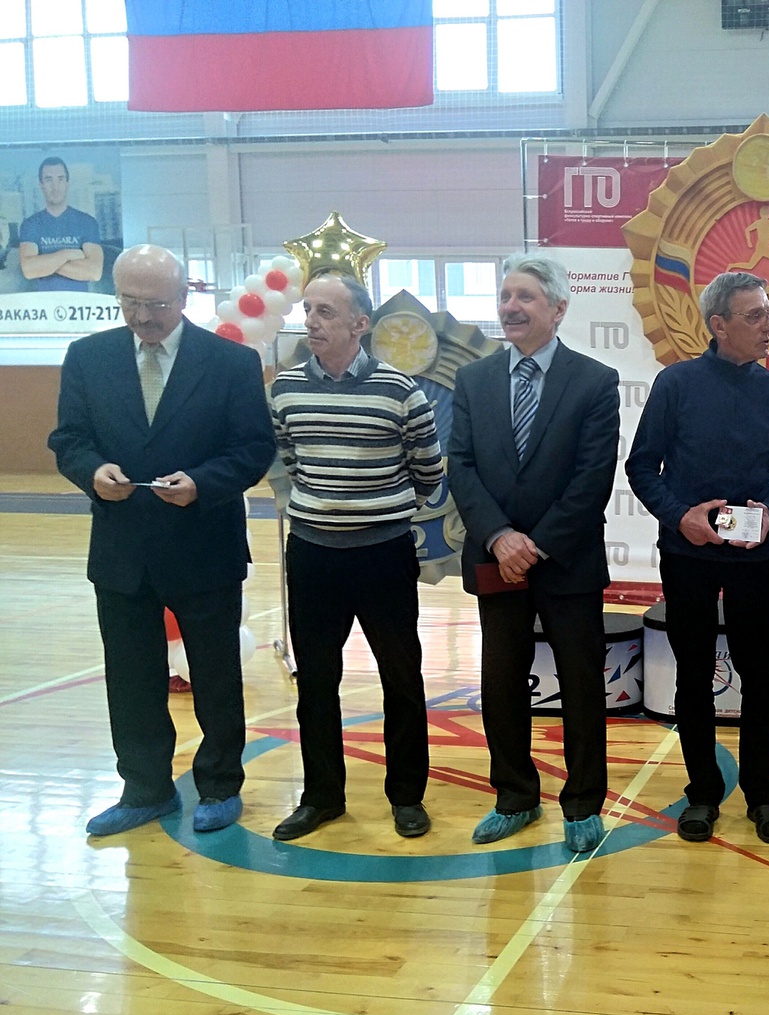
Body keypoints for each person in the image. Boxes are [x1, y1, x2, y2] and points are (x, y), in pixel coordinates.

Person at [48, 245, 276, 836]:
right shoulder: (88, 357)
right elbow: (68, 440)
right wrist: (92, 472)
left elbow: (254, 448)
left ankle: (220, 785)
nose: (143, 316)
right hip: (122, 550)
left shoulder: (230, 362)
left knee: (216, 677)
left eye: (156, 304)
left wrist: (202, 483)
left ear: (183, 297)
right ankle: (144, 788)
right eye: (130, 302)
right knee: (130, 679)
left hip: (204, 546)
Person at [625, 271, 769, 845]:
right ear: (719, 325)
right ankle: (702, 793)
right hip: (688, 556)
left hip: (757, 560)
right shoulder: (675, 384)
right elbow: (641, 467)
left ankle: (763, 795)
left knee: (765, 678)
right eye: (755, 316)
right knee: (693, 676)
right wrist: (680, 516)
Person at [447, 255, 621, 854]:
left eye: (525, 297)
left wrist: (536, 544)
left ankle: (583, 803)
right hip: (496, 559)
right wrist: (500, 537)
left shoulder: (595, 381)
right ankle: (515, 797)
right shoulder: (473, 380)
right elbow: (461, 466)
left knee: (581, 685)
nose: (510, 307)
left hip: (567, 561)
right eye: (505, 296)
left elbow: (592, 478)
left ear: (558, 308)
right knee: (500, 683)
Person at [268, 273, 443, 841]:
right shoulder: (285, 389)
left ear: (359, 324)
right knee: (316, 682)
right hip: (312, 555)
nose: (311, 321)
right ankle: (322, 797)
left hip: (383, 555)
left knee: (402, 678)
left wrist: (374, 509)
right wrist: (327, 504)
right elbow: (289, 460)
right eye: (307, 309)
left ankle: (407, 797)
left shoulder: (400, 390)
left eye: (326, 311)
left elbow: (428, 472)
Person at [19, 157, 104, 292]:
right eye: (49, 180)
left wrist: (44, 264)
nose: (55, 187)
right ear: (41, 185)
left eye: (60, 179)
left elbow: (94, 272)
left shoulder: (87, 222)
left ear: (67, 183)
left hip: (80, 303)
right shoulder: (31, 225)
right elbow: (29, 270)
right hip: (43, 303)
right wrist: (67, 254)